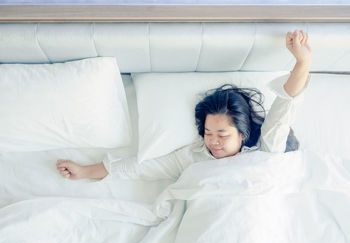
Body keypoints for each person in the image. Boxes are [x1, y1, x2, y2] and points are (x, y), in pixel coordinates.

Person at [56, 29, 312, 181]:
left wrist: (302, 63)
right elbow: (139, 168)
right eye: (209, 133)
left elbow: (284, 108)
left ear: (242, 133)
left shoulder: (266, 150)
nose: (213, 141)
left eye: (222, 134)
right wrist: (85, 171)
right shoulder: (192, 157)